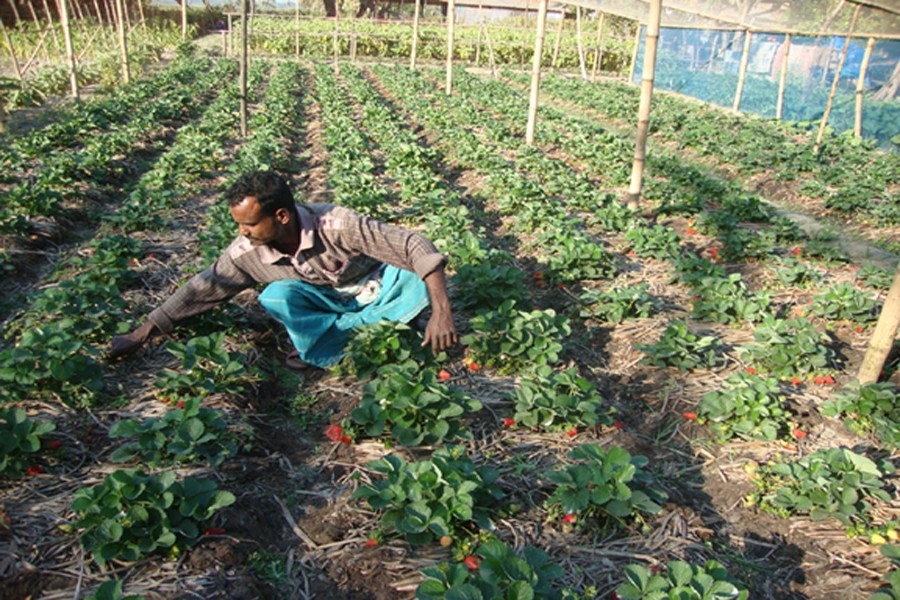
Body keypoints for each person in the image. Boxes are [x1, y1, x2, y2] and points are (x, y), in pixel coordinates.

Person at [110, 170, 458, 368]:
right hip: (327, 302)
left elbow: (415, 244)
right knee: (277, 295)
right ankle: (389, 326)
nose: (242, 232)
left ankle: (335, 340)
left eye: (248, 224)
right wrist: (141, 333)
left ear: (281, 216)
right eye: (239, 224)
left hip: (376, 286)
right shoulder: (246, 253)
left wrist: (443, 312)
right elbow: (202, 289)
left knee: (414, 273)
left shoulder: (337, 224)